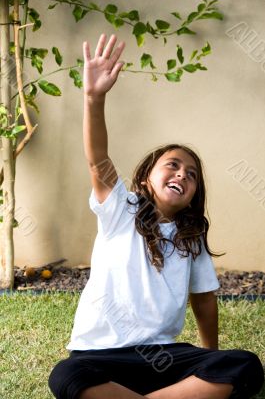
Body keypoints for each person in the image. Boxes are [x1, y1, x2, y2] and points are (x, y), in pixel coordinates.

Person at [48, 34, 264, 399]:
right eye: (173, 166)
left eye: (191, 174)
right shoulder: (121, 209)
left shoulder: (190, 237)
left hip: (164, 361)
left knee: (243, 364)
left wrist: (207, 359)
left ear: (195, 195)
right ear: (146, 177)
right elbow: (96, 157)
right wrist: (93, 97)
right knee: (67, 375)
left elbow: (205, 299)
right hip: (101, 358)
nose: (182, 174)